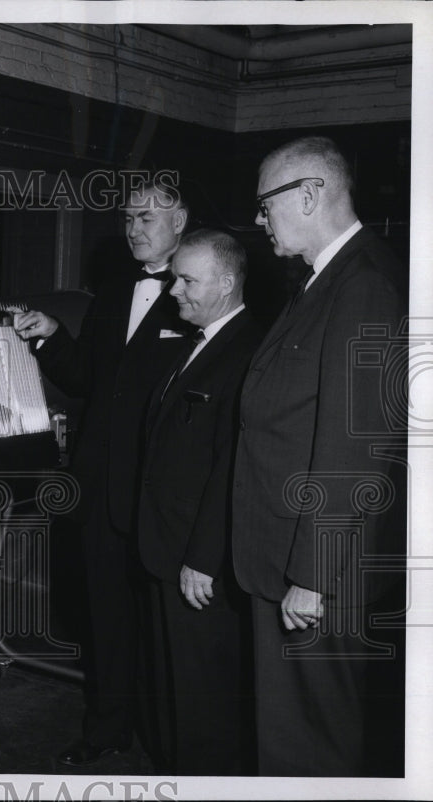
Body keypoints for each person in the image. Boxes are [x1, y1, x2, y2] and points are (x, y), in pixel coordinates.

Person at [232, 136, 407, 776]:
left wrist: (311, 571)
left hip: (316, 569)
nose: (259, 219)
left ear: (310, 194)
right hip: (286, 553)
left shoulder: (364, 283)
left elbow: (355, 444)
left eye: (264, 203)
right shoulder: (325, 279)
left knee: (312, 747)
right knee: (288, 738)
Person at [13, 178, 190, 767]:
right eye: (128, 218)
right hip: (99, 487)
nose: (134, 228)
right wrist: (52, 337)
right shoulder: (114, 291)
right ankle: (108, 727)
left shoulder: (203, 290)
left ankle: (172, 738)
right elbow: (87, 379)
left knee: (166, 623)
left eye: (146, 217)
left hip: (161, 492)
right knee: (107, 618)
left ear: (181, 221)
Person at [136, 229, 261, 775]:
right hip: (165, 546)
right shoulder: (199, 341)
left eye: (188, 280)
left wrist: (202, 558)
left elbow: (230, 466)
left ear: (228, 283)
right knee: (173, 688)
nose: (175, 291)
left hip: (197, 561)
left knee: (204, 697)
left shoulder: (249, 351)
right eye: (174, 278)